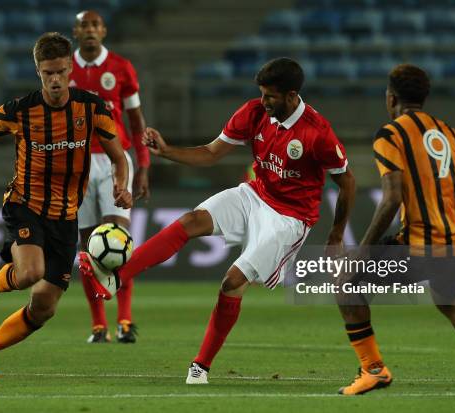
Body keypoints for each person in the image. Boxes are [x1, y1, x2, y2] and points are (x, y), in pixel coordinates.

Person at [80, 57, 357, 383]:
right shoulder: (254, 112)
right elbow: (212, 152)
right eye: (262, 94)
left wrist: (337, 235)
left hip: (289, 219)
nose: (263, 101)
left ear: (292, 96)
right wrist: (167, 151)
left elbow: (347, 181)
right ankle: (117, 278)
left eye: (270, 96)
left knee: (231, 282)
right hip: (254, 195)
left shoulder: (317, 133)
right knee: (190, 221)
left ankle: (200, 367)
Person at [0, 32, 132, 378]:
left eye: (61, 71)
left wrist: (121, 185)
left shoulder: (92, 108)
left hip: (66, 217)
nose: (55, 79)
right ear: (38, 71)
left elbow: (118, 155)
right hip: (25, 204)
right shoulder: (20, 111)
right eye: (48, 72)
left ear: (69, 71)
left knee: (44, 307)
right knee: (30, 273)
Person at [335, 63, 455, 396]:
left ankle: (373, 369)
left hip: (421, 244)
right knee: (448, 298)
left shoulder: (391, 134)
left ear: (390, 97)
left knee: (346, 281)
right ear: (425, 96)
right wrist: (438, 183)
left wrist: (361, 252)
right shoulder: (450, 133)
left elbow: (391, 199)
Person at [70, 10, 150, 344]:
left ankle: (126, 320)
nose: (90, 30)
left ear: (103, 31)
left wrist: (142, 165)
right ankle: (98, 325)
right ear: (76, 32)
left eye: (95, 25)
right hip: (77, 164)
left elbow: (135, 120)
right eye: (84, 26)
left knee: (117, 242)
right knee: (89, 250)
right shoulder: (63, 69)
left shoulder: (120, 68)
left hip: (116, 162)